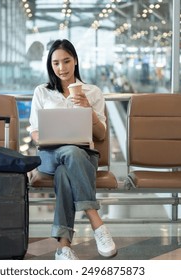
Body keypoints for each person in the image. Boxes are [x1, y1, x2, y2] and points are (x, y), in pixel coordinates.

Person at [29, 39, 117, 260]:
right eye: (56, 63)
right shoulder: (42, 92)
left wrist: (87, 109)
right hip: (50, 154)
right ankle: (96, 221)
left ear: (75, 60)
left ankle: (63, 247)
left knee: (65, 170)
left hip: (84, 156)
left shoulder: (93, 92)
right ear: (50, 66)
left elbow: (101, 134)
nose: (62, 68)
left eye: (66, 61)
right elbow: (35, 132)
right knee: (69, 152)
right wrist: (47, 136)